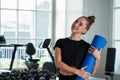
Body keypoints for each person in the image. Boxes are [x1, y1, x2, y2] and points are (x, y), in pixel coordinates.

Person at [54, 15, 102, 80]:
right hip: (63, 77)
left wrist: (98, 58)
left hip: (77, 78)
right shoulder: (60, 42)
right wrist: (77, 71)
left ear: (84, 31)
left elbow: (92, 72)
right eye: (76, 21)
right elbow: (58, 63)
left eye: (80, 24)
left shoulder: (87, 47)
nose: (76, 24)